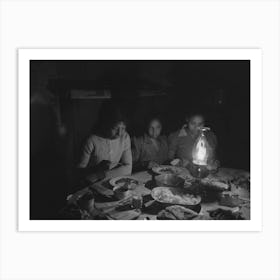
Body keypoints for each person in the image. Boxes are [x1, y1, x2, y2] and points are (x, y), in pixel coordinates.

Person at [77, 103, 132, 182]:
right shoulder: (91, 140)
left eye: (123, 128)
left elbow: (128, 168)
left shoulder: (125, 137)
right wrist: (95, 170)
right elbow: (79, 173)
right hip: (93, 184)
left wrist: (102, 174)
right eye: (115, 128)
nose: (119, 133)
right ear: (105, 124)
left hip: (114, 182)